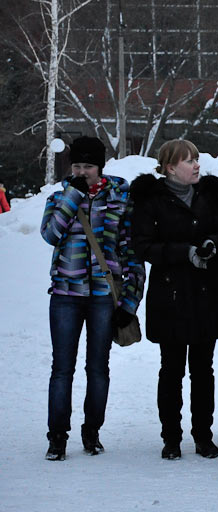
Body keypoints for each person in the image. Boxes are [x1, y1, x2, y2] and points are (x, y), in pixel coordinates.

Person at [40, 136, 145, 461]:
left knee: (98, 367)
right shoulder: (60, 198)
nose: (82, 172)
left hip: (103, 296)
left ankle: (92, 432)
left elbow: (131, 251)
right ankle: (57, 436)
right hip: (65, 294)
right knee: (62, 368)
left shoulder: (120, 198)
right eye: (77, 166)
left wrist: (129, 302)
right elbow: (51, 234)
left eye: (88, 166)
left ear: (100, 167)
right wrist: (73, 196)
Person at [131, 139, 218, 460]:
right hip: (171, 297)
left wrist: (213, 244)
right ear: (171, 167)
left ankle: (204, 436)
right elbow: (143, 246)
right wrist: (183, 252)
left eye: (196, 159)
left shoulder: (211, 194)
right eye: (189, 161)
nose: (197, 165)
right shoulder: (151, 200)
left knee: (204, 371)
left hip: (205, 296)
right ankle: (171, 438)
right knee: (171, 370)